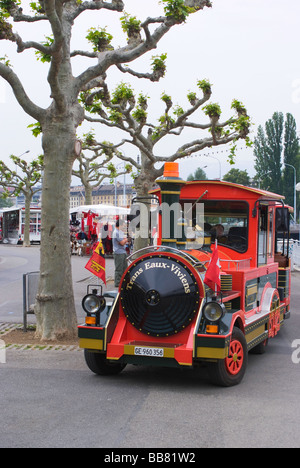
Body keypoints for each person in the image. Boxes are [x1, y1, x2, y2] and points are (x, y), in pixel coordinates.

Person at [112, 219, 129, 288]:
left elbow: (123, 241)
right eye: (123, 225)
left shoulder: (119, 232)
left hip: (122, 252)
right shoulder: (116, 232)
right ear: (120, 225)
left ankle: (123, 282)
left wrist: (124, 240)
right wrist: (125, 240)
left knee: (124, 268)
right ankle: (118, 283)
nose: (124, 227)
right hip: (118, 252)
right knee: (119, 269)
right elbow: (122, 242)